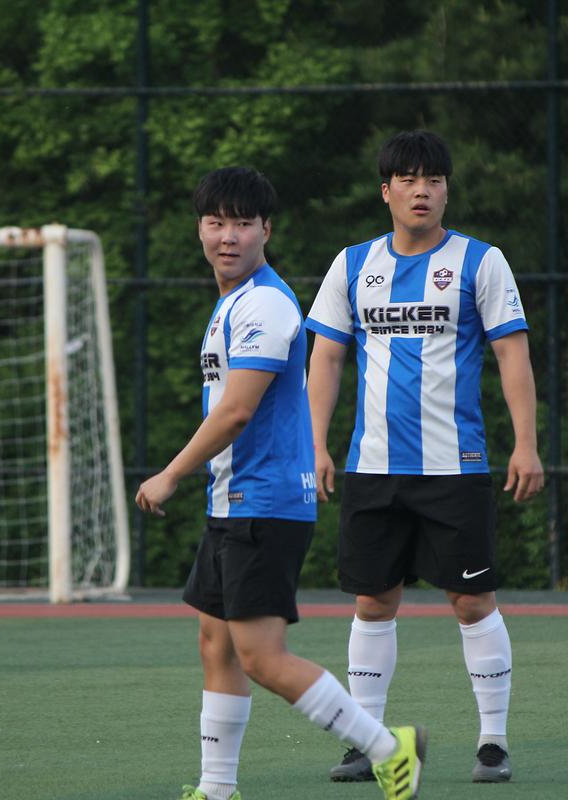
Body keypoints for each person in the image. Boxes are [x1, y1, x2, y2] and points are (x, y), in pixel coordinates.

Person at [135, 166, 426, 800]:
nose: (228, 236)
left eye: (243, 223)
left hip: (263, 503)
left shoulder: (265, 303)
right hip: (234, 501)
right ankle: (217, 788)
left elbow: (237, 411)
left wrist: (171, 474)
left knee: (262, 657)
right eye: (216, 222)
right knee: (215, 643)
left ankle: (386, 746)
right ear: (199, 229)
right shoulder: (232, 303)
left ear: (266, 230)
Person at [305, 131, 545, 784]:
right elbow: (327, 356)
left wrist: (526, 443)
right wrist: (315, 442)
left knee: (471, 602)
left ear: (446, 190)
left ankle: (492, 743)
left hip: (454, 468)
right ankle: (366, 742)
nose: (422, 191)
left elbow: (512, 355)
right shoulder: (353, 264)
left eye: (434, 180)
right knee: (372, 602)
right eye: (408, 179)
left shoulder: (481, 261)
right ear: (386, 191)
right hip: (373, 468)